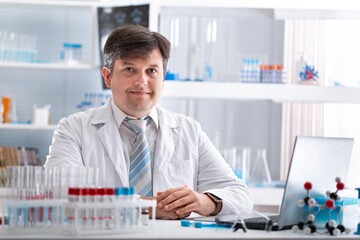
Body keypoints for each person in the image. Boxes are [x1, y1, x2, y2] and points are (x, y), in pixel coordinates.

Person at [45, 24, 253, 219]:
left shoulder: (189, 130)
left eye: (151, 71)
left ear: (163, 78)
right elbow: (61, 191)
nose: (141, 81)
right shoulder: (74, 128)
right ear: (107, 77)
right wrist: (149, 207)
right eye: (129, 69)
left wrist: (203, 201)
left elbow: (240, 194)